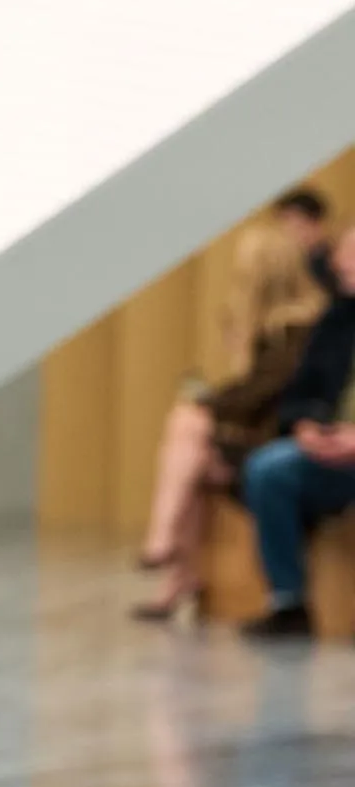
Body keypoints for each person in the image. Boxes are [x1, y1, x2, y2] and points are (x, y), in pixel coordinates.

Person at [134, 221, 328, 617]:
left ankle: (164, 545)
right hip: (263, 434)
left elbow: (263, 392)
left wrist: (208, 405)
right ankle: (178, 571)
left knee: (188, 425)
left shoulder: (298, 328)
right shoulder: (275, 327)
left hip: (283, 435)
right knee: (193, 456)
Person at [238, 224, 355, 637]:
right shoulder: (337, 319)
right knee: (269, 469)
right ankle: (288, 602)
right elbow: (301, 392)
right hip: (333, 450)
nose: (337, 263)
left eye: (349, 253)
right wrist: (306, 426)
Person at [273, 186, 334, 292]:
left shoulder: (334, 265)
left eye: (298, 227)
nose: (288, 237)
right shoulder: (285, 265)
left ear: (317, 225)